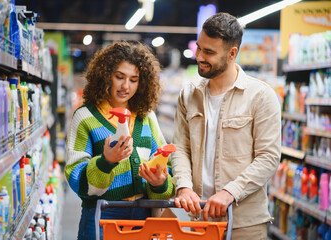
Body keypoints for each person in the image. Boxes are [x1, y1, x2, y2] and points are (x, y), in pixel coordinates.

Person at [171, 12, 281, 239]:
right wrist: (183, 186)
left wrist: (230, 192)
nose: (200, 56)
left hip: (244, 224)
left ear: (232, 54)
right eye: (199, 48)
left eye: (209, 52)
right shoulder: (189, 94)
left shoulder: (260, 96)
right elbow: (181, 148)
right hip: (200, 219)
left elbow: (268, 157)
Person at [65, 41, 174, 240]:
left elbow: (165, 167)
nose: (126, 86)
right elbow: (76, 178)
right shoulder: (85, 117)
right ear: (105, 75)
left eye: (134, 80)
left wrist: (160, 183)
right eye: (119, 77)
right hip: (101, 214)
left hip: (143, 215)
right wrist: (106, 162)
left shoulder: (146, 116)